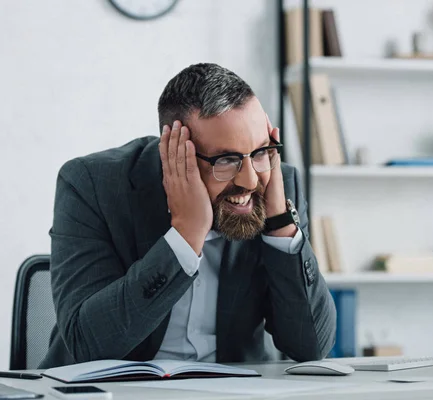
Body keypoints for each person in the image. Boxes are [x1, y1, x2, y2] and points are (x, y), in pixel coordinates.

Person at [40, 63, 336, 368]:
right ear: (174, 153)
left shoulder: (276, 188)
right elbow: (86, 345)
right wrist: (184, 235)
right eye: (226, 159)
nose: (249, 180)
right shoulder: (92, 185)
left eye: (260, 151)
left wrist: (280, 227)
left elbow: (311, 346)